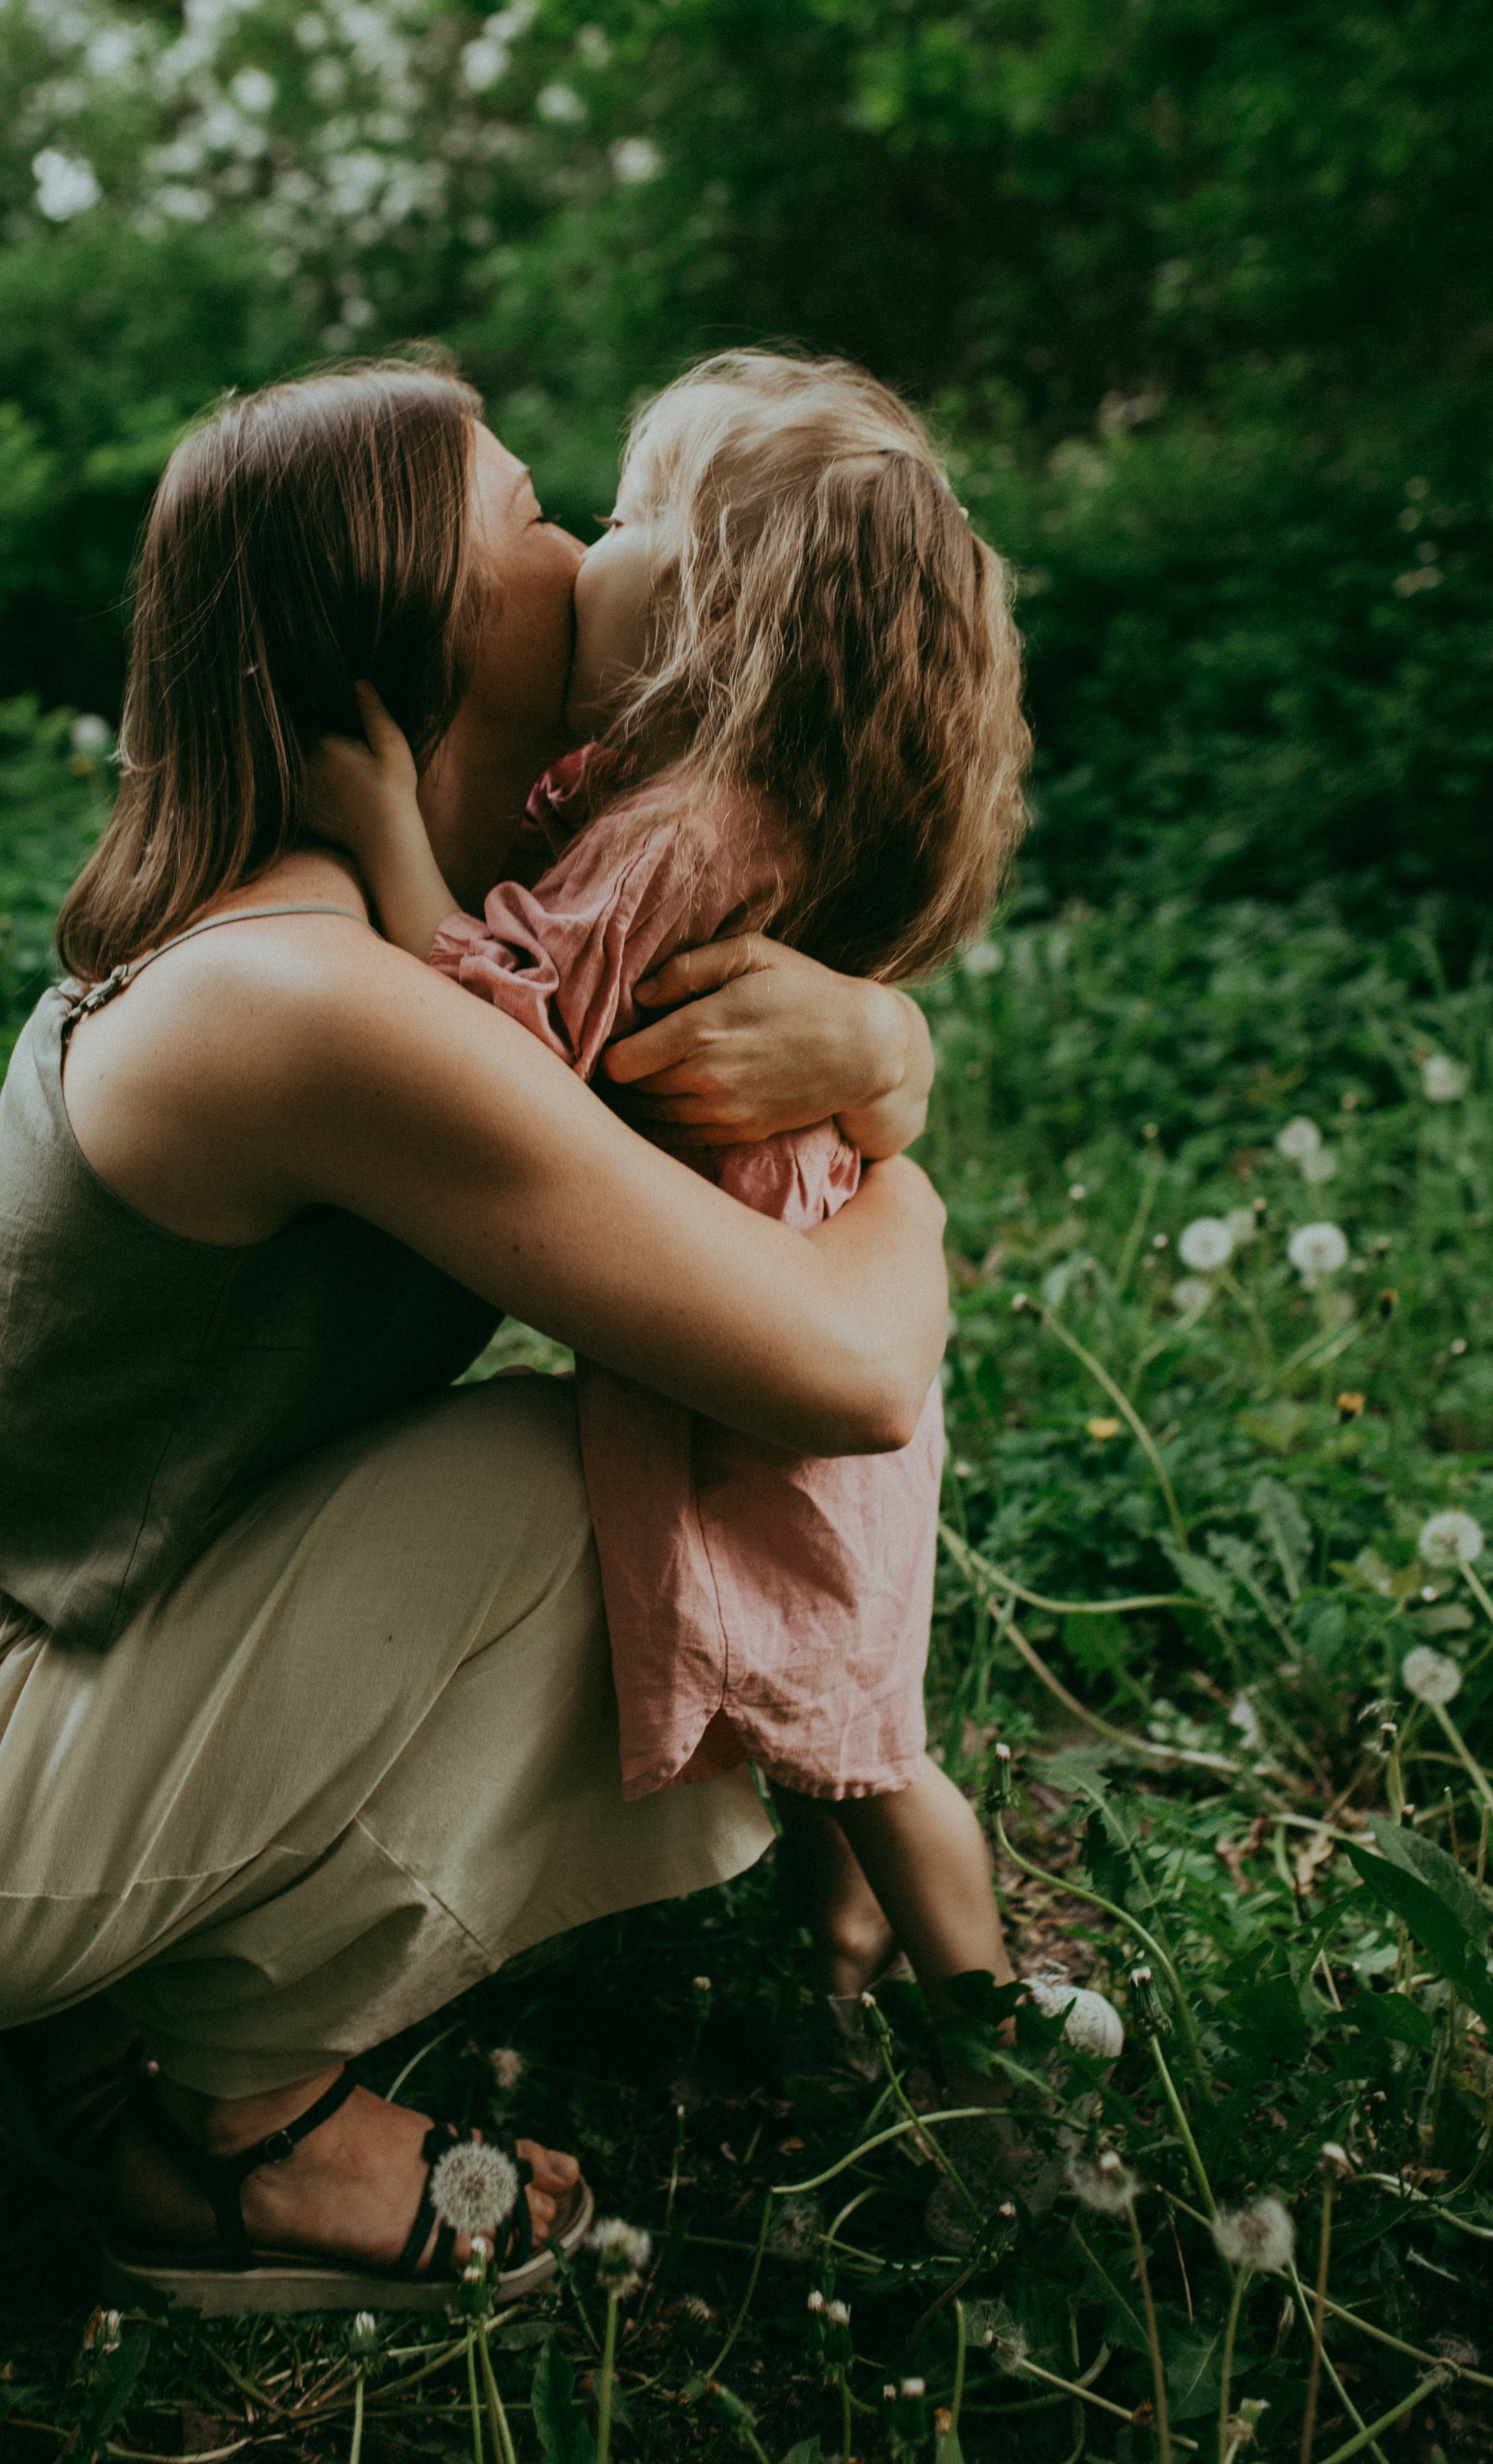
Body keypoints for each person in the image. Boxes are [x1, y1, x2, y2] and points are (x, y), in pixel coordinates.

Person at [0, 360, 949, 2318]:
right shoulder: (307, 1002)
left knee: (617, 1440)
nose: (590, 546)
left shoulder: (388, 932)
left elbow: (679, 1170)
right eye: (525, 513)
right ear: (412, 623)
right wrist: (901, 1159)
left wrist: (880, 1047)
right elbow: (839, 1374)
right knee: (592, 1495)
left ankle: (106, 1994)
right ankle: (228, 2122)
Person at [308, 351, 1033, 2040]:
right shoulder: (700, 802)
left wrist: (372, 829)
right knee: (831, 1685)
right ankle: (839, 1950)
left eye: (634, 515)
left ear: (721, 612)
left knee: (865, 1733)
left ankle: (989, 2027)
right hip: (755, 1295)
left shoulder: (683, 830)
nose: (587, 542)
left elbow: (492, 1028)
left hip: (754, 1351)